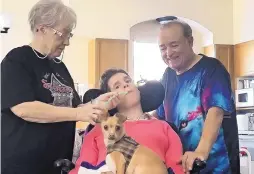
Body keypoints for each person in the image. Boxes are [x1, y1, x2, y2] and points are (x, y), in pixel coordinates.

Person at [1, 1, 122, 174]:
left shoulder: (60, 67)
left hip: (59, 164)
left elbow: (73, 108)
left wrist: (95, 104)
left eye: (69, 35)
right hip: (23, 166)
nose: (67, 42)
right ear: (41, 29)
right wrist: (78, 113)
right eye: (62, 34)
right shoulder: (17, 60)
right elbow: (23, 108)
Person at [154, 18, 240, 173]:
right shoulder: (167, 76)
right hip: (180, 167)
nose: (168, 53)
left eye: (174, 45)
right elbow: (159, 116)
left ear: (190, 41)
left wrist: (201, 151)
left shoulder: (212, 69)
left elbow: (216, 112)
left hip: (216, 167)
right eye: (162, 48)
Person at [70, 68, 184, 174]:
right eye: (117, 86)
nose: (125, 85)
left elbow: (176, 168)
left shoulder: (164, 127)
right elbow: (82, 169)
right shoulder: (98, 129)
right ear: (110, 99)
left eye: (127, 80)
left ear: (138, 90)